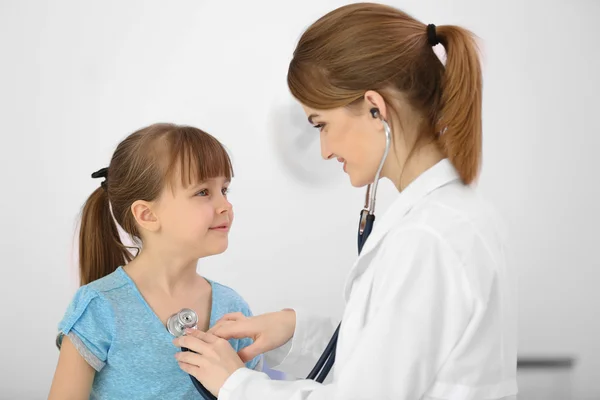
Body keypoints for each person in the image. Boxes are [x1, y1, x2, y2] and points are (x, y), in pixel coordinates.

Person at [173, 3, 518, 400]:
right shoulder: (450, 218)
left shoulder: (428, 238)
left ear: (376, 108)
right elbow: (398, 352)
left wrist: (236, 385)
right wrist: (297, 331)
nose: (323, 149)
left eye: (322, 124)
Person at [47, 123, 263, 400]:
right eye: (203, 192)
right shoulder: (100, 307)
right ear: (147, 215)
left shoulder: (233, 309)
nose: (225, 206)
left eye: (224, 189)